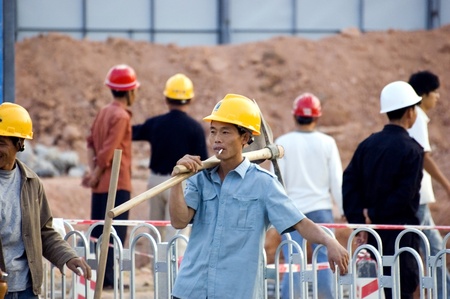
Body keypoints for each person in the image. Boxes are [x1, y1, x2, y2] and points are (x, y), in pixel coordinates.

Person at [169, 93, 349, 299]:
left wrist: (329, 241)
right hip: (191, 289)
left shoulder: (263, 184)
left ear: (245, 138)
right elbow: (178, 221)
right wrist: (177, 181)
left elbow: (300, 222)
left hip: (234, 292)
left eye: (225, 132)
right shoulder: (200, 178)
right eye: (213, 131)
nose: (217, 139)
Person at [0, 102, 91, 298]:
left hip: (25, 288)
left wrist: (67, 256)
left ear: (19, 144)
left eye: (1, 142)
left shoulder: (31, 183)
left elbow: (44, 231)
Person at [343, 81, 424, 299]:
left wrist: (359, 222)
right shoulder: (413, 150)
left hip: (369, 237)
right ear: (409, 112)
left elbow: (349, 183)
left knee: (372, 292)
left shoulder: (367, 145)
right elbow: (405, 195)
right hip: (401, 236)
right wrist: (373, 216)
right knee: (401, 290)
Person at [271, 93, 343, 299]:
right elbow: (336, 181)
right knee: (324, 261)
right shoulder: (327, 143)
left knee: (294, 261)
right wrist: (345, 209)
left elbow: (276, 181)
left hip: (291, 212)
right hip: (321, 210)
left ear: (295, 116)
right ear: (317, 117)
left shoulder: (282, 143)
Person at [81, 64, 139, 289]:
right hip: (117, 184)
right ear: (130, 91)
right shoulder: (121, 116)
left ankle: (100, 277)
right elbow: (109, 150)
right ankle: (108, 280)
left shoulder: (104, 112)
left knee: (99, 232)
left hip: (99, 186)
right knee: (116, 232)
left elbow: (90, 144)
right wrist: (96, 173)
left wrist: (92, 172)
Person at [132, 73, 208, 242]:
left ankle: (156, 268)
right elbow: (203, 163)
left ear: (166, 99)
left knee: (155, 233)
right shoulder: (195, 128)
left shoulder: (155, 123)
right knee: (177, 235)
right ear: (189, 100)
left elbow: (130, 132)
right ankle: (176, 269)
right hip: (181, 185)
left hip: (155, 183)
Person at [407, 70, 450, 298]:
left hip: (415, 196)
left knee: (427, 248)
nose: (438, 97)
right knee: (434, 250)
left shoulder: (413, 117)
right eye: (435, 92)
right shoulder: (418, 118)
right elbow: (424, 156)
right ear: (423, 95)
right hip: (419, 196)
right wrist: (446, 185)